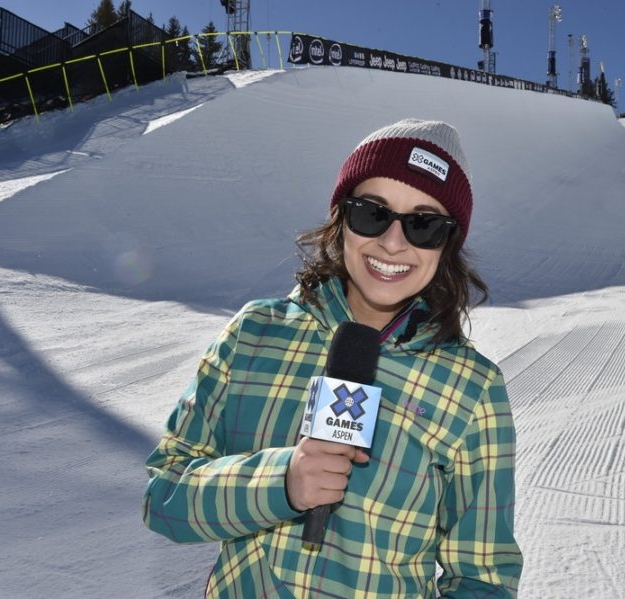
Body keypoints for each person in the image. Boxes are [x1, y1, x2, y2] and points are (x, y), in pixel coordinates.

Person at [143, 118, 523, 598]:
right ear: (340, 217)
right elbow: (164, 498)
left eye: (424, 224)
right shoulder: (255, 333)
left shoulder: (473, 387)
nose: (393, 242)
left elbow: (483, 579)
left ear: (448, 245)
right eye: (372, 213)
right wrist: (280, 483)